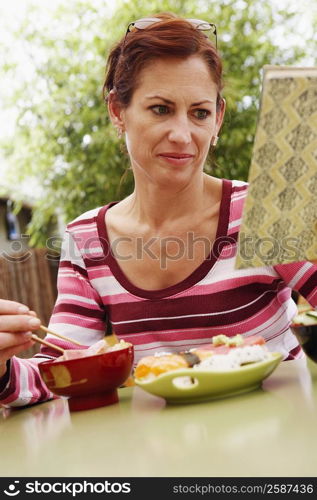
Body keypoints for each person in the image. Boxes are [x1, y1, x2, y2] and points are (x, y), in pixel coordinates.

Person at [0, 12, 316, 408]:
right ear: (118, 111)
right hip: (163, 459)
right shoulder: (86, 239)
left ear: (218, 119)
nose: (182, 135)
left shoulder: (267, 208)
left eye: (199, 113)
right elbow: (61, 371)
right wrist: (2, 371)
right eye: (161, 109)